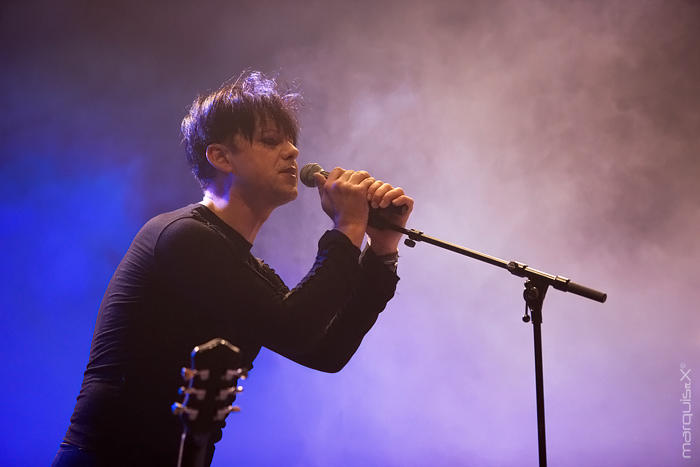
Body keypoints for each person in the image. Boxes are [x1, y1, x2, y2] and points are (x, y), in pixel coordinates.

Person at [52, 71, 413, 466]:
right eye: (271, 141)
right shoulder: (182, 236)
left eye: (292, 141)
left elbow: (325, 350)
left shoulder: (241, 264)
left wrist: (381, 250)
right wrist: (347, 228)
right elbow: (296, 324)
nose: (293, 152)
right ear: (220, 156)